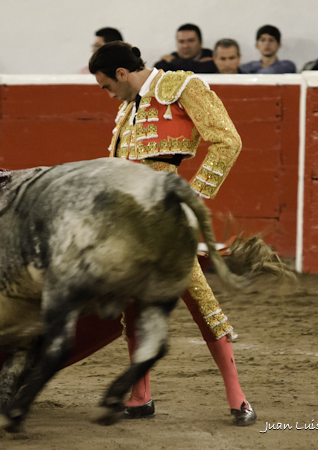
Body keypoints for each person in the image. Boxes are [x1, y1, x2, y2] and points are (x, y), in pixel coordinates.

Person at [89, 41, 256, 426]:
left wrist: (193, 196)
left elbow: (228, 141)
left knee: (199, 298)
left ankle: (238, 397)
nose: (107, 93)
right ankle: (140, 395)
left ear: (122, 73)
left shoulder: (182, 87)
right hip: (126, 221)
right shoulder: (125, 110)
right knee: (133, 306)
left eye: (106, 85)